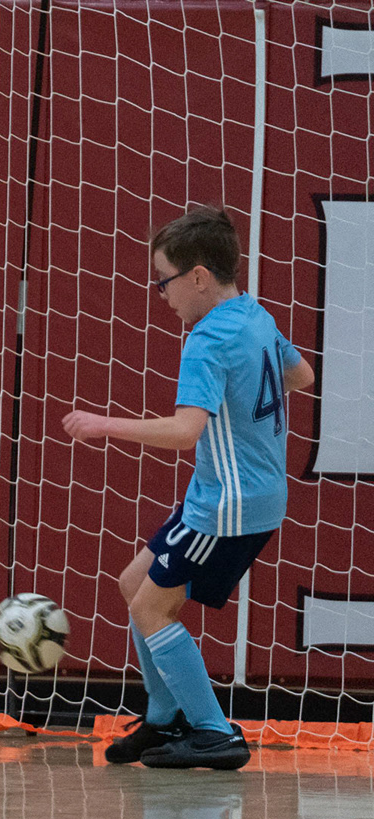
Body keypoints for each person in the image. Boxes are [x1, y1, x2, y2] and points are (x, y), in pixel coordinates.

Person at [63, 205, 314, 770]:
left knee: (155, 608)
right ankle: (162, 719)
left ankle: (213, 733)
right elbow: (302, 376)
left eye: (165, 281)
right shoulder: (254, 315)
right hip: (239, 493)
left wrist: (104, 425)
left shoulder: (206, 339)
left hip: (227, 503)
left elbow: (185, 430)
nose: (162, 295)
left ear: (198, 276)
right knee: (135, 584)